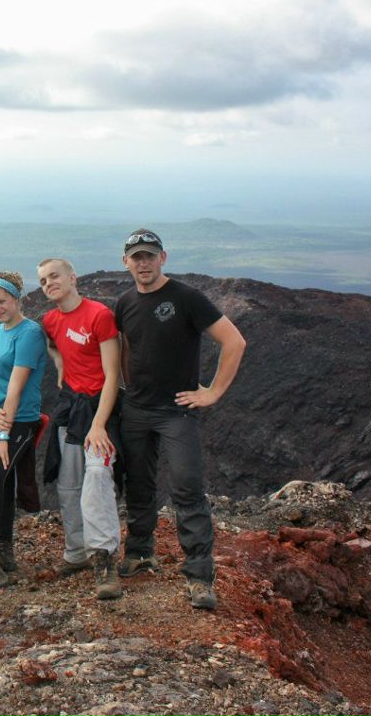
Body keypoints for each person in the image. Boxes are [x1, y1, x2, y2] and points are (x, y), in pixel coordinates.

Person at [115, 229, 246, 610]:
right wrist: (126, 388)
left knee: (186, 487)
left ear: (163, 258)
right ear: (126, 262)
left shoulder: (187, 297)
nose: (143, 263)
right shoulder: (124, 302)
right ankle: (140, 553)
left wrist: (214, 392)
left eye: (149, 256)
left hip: (176, 410)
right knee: (138, 483)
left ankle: (200, 575)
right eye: (136, 257)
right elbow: (126, 346)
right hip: (136, 409)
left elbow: (234, 341)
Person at [38, 257, 123, 600]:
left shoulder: (99, 315)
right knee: (68, 485)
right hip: (70, 408)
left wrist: (100, 424)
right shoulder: (50, 320)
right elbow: (53, 344)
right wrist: (59, 366)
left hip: (100, 409)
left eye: (54, 276)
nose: (48, 284)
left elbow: (113, 374)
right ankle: (76, 553)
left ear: (72, 277)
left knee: (98, 477)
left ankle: (104, 559)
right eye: (43, 281)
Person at [0, 271, 47, 588]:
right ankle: (4, 549)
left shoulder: (29, 333)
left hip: (19, 419)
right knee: (0, 484)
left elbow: (16, 387)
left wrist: (3, 434)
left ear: (17, 299)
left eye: (2, 301)